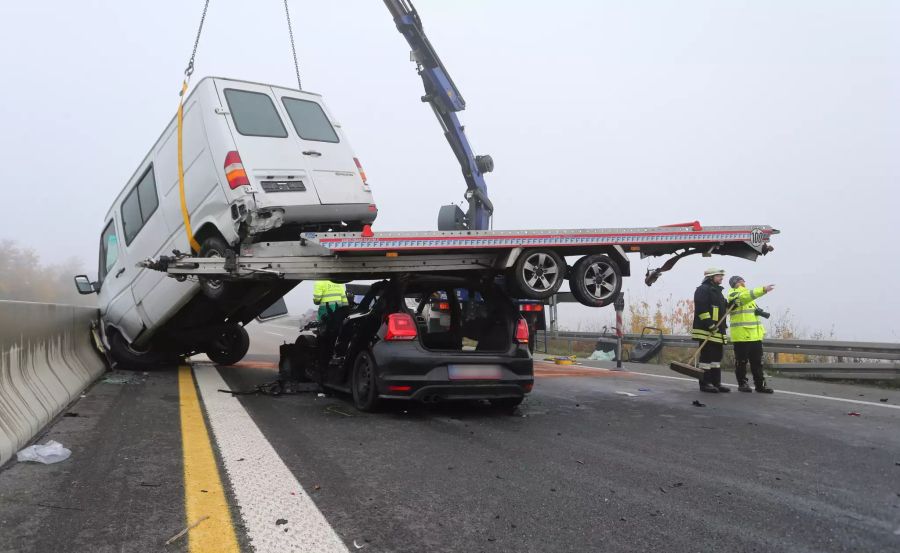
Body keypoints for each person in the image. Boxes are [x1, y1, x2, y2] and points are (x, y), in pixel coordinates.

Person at [727, 276, 775, 393]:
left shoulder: (749, 297)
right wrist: (763, 289)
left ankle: (760, 385)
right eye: (742, 280)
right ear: (737, 283)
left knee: (757, 363)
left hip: (755, 336)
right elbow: (745, 297)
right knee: (742, 362)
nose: (744, 282)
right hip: (742, 335)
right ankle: (742, 384)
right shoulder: (733, 294)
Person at [691, 268, 731, 393]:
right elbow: (701, 309)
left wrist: (731, 304)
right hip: (707, 330)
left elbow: (721, 308)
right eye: (719, 276)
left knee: (716, 358)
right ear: (711, 277)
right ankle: (705, 383)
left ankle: (716, 383)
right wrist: (710, 325)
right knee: (706, 358)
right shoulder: (702, 290)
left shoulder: (717, 291)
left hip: (717, 331)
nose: (721, 278)